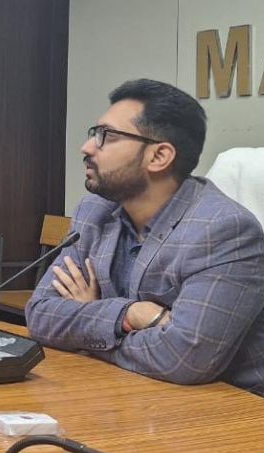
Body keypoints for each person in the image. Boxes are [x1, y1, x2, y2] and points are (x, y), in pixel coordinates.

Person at [26, 79, 264, 394]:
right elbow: (40, 315)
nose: (87, 147)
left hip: (226, 405)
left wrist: (90, 323)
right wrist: (129, 315)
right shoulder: (94, 210)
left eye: (107, 136)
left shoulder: (224, 230)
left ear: (159, 156)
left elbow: (184, 357)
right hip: (128, 390)